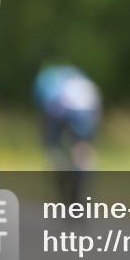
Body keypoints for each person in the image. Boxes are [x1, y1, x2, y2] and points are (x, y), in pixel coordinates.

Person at [33, 64, 102, 205]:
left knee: (57, 153)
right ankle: (79, 191)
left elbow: (49, 116)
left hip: (66, 109)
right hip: (88, 108)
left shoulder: (51, 84)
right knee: (82, 152)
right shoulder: (80, 83)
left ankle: (69, 187)